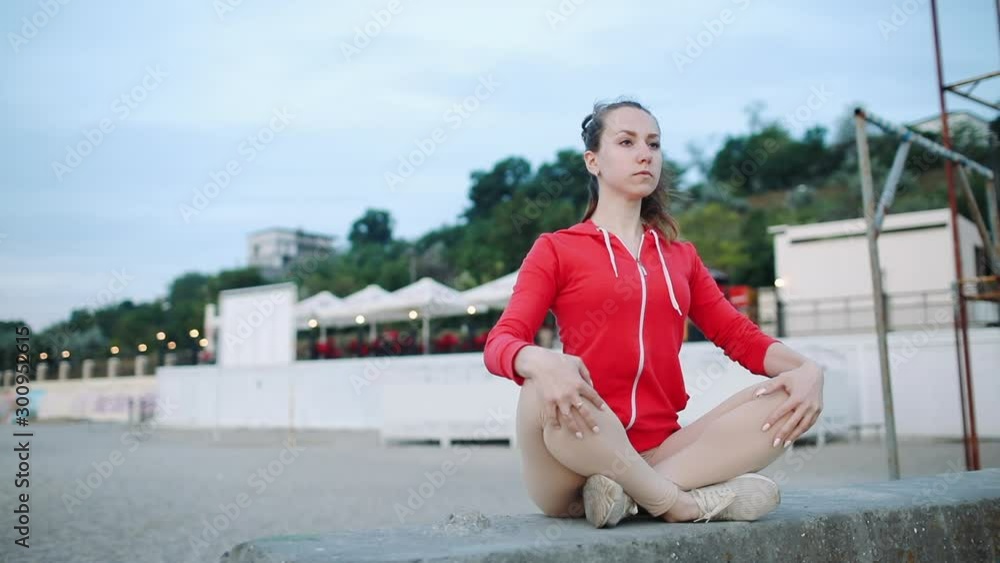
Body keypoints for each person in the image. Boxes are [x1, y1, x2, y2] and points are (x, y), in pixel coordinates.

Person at [483, 98, 825, 529]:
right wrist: (539, 360)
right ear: (593, 161)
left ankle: (628, 497)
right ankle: (680, 504)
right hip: (574, 456)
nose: (645, 154)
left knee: (786, 396)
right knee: (543, 378)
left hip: (663, 451)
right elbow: (501, 341)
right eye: (626, 142)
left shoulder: (681, 258)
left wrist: (807, 370)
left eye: (654, 144)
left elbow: (740, 337)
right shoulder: (556, 249)